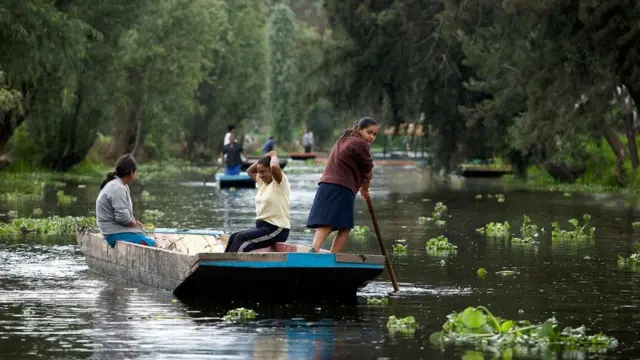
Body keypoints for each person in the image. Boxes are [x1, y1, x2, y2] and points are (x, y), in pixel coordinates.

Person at [306, 117, 379, 253]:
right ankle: (326, 255)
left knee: (338, 223)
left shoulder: (345, 138)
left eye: (374, 134)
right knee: (340, 225)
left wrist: (363, 186)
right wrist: (365, 187)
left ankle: (318, 250)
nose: (372, 137)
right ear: (359, 129)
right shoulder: (360, 143)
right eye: (369, 132)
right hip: (341, 186)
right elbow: (368, 169)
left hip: (326, 184)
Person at [225, 151, 291, 252]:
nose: (260, 175)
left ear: (271, 171)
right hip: (263, 227)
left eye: (263, 171)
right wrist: (264, 157)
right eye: (259, 172)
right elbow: (249, 171)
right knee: (234, 236)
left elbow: (275, 167)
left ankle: (231, 266)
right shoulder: (262, 182)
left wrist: (273, 155)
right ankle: (223, 263)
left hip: (277, 229)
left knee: (241, 239)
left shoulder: (279, 181)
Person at [96, 154, 156, 248]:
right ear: (132, 172)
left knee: (148, 238)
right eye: (135, 172)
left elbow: (124, 213)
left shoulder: (122, 185)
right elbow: (122, 217)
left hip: (116, 230)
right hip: (113, 233)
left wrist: (135, 222)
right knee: (153, 244)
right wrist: (135, 225)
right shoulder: (117, 187)